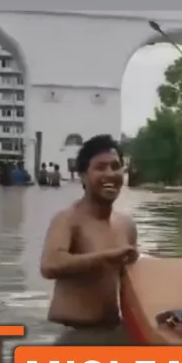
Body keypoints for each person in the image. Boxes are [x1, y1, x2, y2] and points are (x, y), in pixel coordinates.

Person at [39, 134, 138, 345]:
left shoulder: (126, 226)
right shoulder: (68, 219)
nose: (110, 174)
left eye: (115, 166)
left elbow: (133, 283)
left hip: (114, 332)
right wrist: (106, 257)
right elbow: (50, 264)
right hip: (74, 335)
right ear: (83, 176)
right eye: (100, 168)